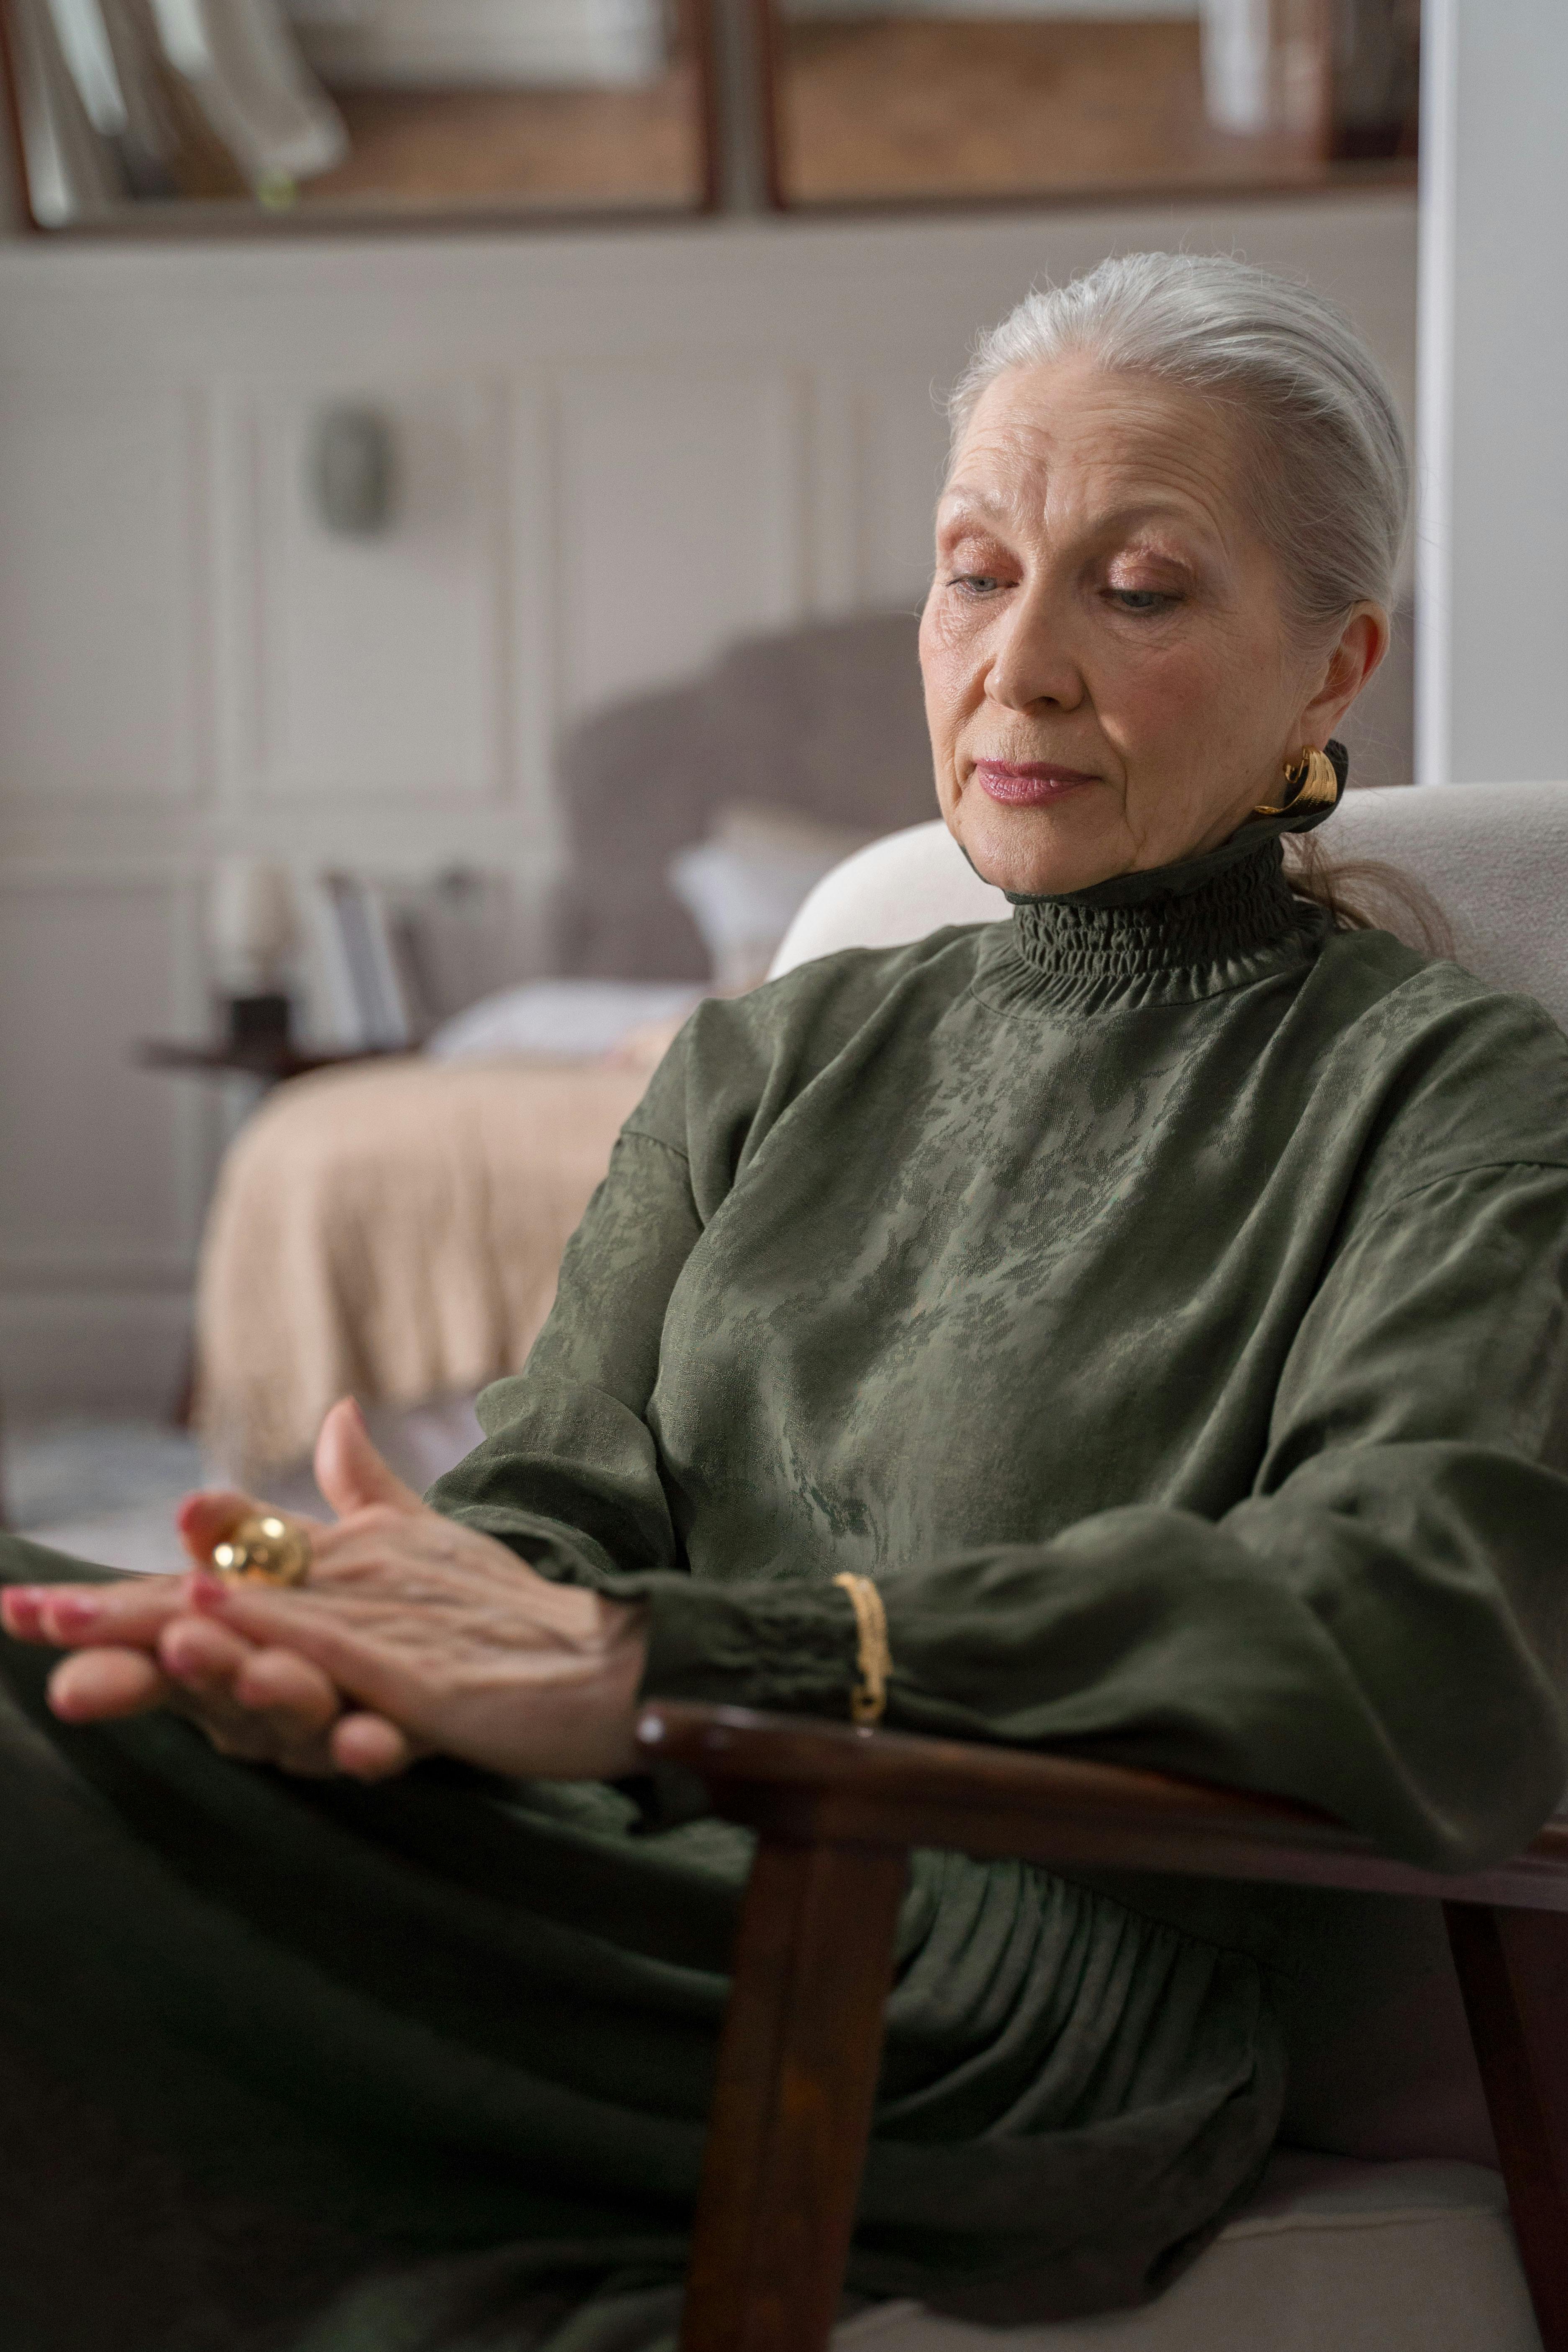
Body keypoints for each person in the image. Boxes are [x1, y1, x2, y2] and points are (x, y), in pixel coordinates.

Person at [5, 250, 1568, 2352]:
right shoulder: (774, 1052)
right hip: (612, 1861)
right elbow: (556, 1512)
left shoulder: (1453, 1091)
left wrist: (686, 1652)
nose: (1014, 668)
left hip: (984, 1993)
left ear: (1330, 664)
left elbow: (1420, 1619)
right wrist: (349, 1635)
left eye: (1140, 585)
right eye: (972, 570)